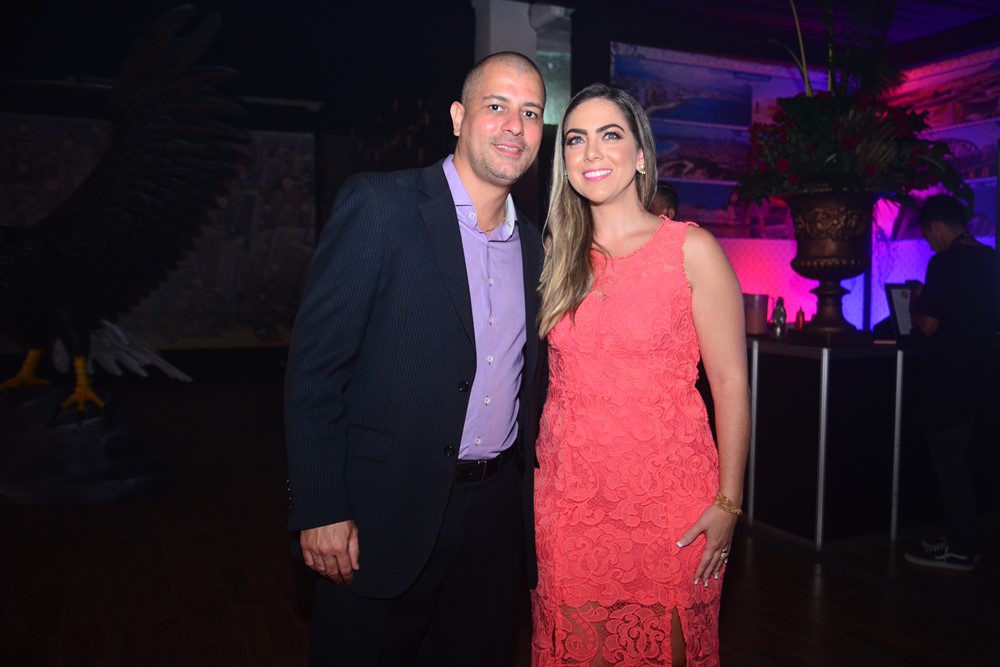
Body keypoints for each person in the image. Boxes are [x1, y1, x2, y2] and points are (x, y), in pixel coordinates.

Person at [284, 51, 548, 666]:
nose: (515, 125)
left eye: (531, 112)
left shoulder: (536, 248)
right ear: (458, 116)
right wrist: (321, 506)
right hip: (380, 511)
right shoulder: (381, 206)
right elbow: (315, 370)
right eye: (497, 105)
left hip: (494, 520)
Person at [532, 83, 750, 666]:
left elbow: (730, 383)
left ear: (641, 155)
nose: (591, 152)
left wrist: (730, 502)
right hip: (570, 501)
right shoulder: (552, 255)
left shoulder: (691, 250)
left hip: (669, 502)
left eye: (610, 135)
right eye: (575, 139)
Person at [903, 193, 997, 571]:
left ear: (937, 227)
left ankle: (960, 546)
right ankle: (964, 538)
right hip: (983, 378)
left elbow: (927, 325)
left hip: (947, 382)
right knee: (967, 464)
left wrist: (915, 299)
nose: (929, 243)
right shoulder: (990, 259)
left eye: (928, 235)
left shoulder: (944, 263)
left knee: (950, 467)